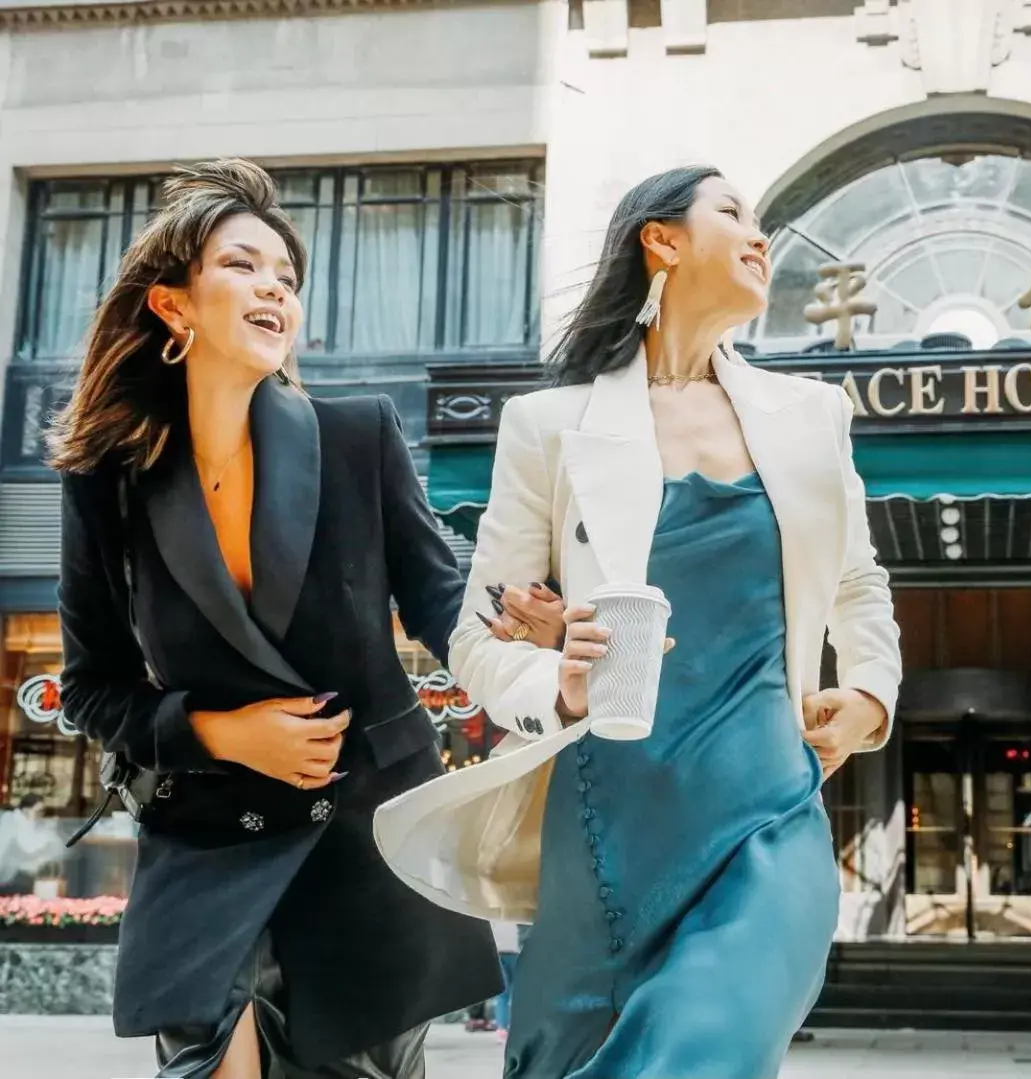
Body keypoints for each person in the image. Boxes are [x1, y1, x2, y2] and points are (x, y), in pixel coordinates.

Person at [382, 164, 903, 1079]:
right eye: (733, 213)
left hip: (769, 809)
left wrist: (866, 693)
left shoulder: (812, 414)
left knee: (708, 1041)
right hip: (608, 820)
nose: (759, 235)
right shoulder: (550, 423)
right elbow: (477, 636)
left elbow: (858, 580)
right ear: (660, 240)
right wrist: (559, 679)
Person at [49, 158, 527, 1079]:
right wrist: (220, 732)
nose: (274, 286)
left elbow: (446, 611)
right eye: (242, 265)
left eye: (287, 277)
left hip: (366, 838)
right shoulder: (107, 482)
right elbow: (91, 686)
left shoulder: (359, 437)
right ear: (173, 306)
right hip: (211, 839)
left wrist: (533, 658)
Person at [0, 795, 64, 895]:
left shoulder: (33, 824)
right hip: (12, 876)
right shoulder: (13, 822)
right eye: (38, 811)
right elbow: (28, 848)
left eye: (43, 811)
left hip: (26, 875)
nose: (41, 815)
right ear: (26, 810)